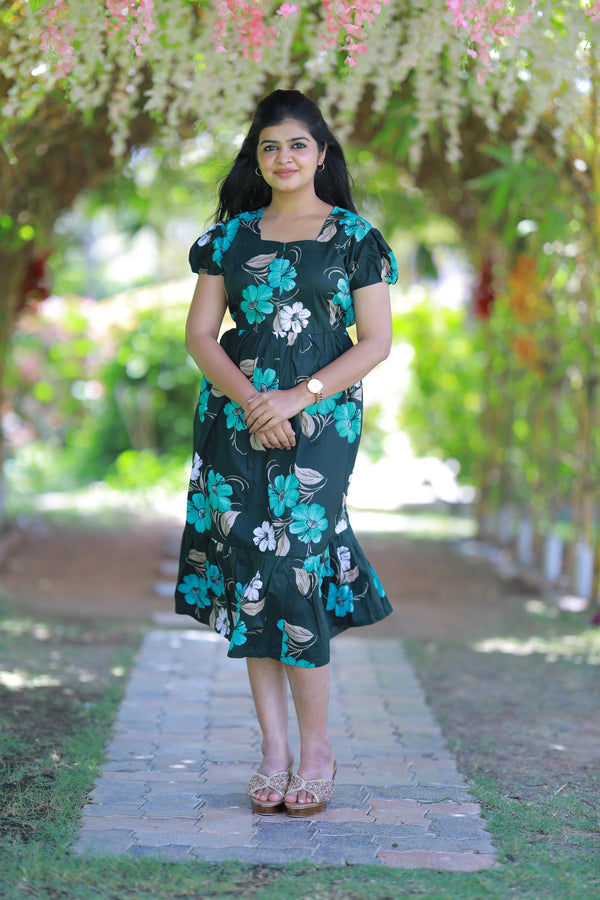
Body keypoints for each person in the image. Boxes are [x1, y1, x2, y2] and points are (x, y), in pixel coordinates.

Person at [175, 89, 397, 817]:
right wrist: (251, 403)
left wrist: (298, 397)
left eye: (298, 145)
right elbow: (202, 336)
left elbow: (376, 342)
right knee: (253, 578)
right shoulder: (228, 239)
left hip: (321, 422)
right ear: (258, 157)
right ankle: (274, 753)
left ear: (322, 154)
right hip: (235, 421)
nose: (284, 158)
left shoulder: (355, 238)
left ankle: (319, 749)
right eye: (270, 146)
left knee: (293, 571)